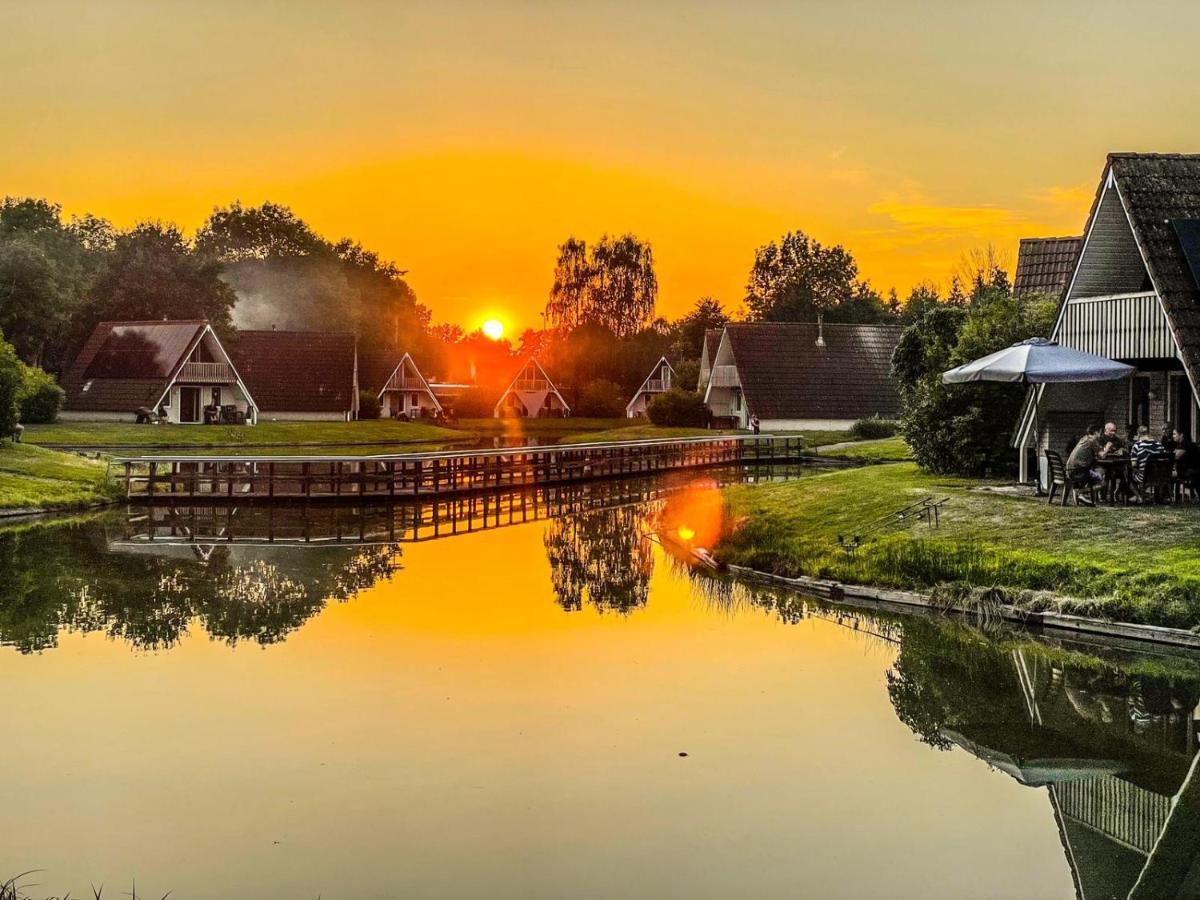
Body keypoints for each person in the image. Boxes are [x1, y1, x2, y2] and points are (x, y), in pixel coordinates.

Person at [1065, 425, 1104, 504]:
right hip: (1078, 472)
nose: (1101, 435)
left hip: (1069, 469)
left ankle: (1080, 494)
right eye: (1100, 433)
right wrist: (1107, 446)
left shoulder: (1084, 438)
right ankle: (1080, 492)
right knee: (1101, 481)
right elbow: (1102, 455)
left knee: (1091, 471)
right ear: (1096, 432)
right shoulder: (1093, 440)